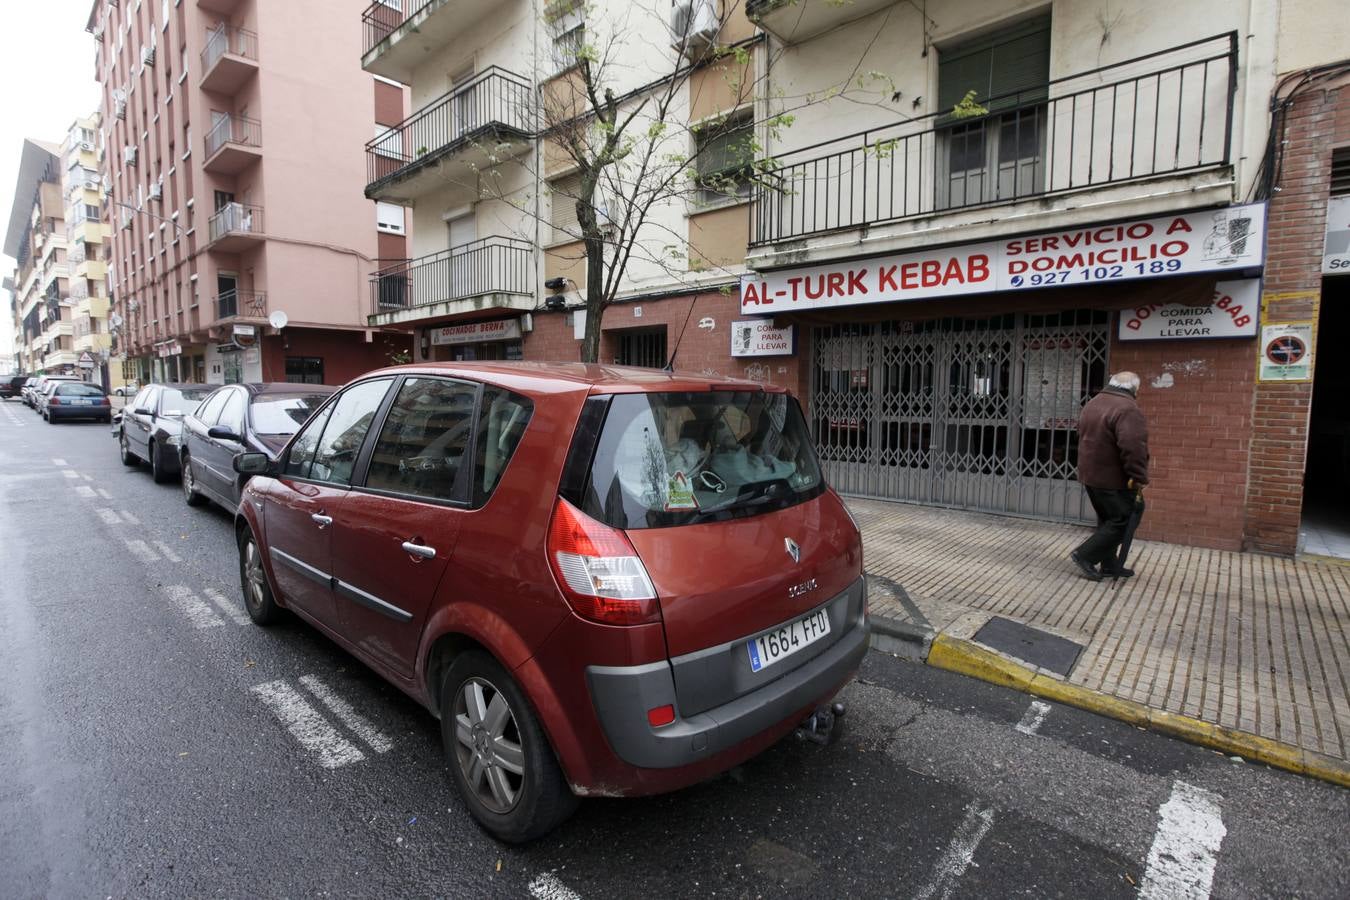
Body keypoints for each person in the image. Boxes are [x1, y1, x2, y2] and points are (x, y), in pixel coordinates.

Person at [1071, 371, 1149, 581]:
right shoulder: (1127, 409)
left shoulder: (1094, 403)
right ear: (1135, 388)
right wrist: (1139, 475)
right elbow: (1133, 447)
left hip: (1090, 474)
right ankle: (1084, 555)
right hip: (1112, 478)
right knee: (1125, 518)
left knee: (1108, 519)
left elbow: (1081, 434)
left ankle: (1109, 563)